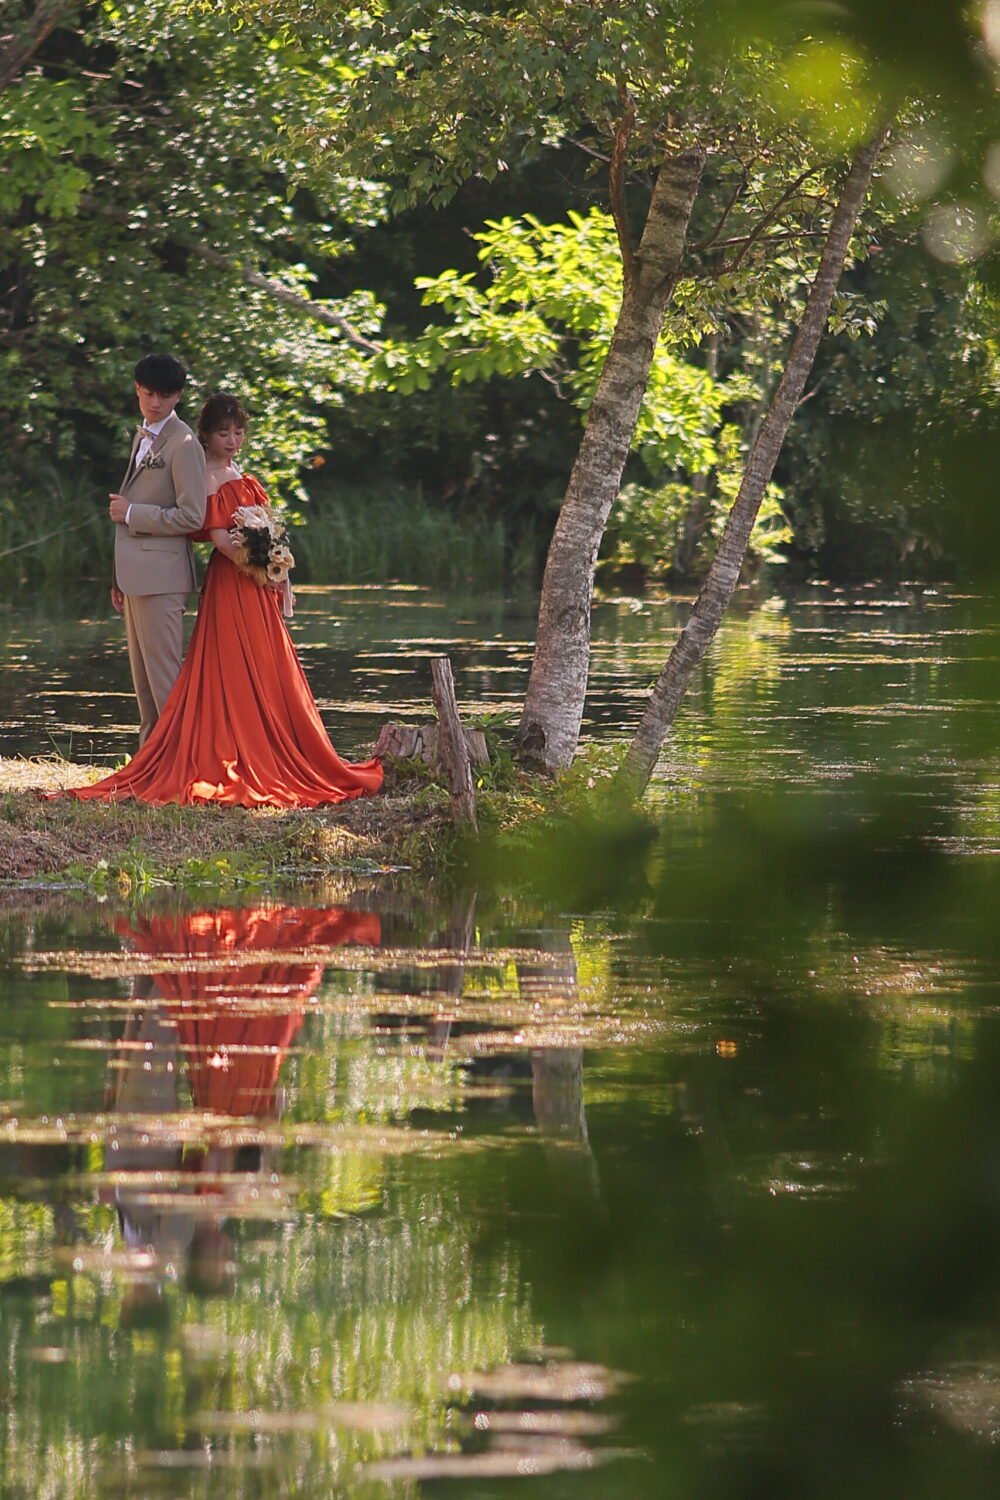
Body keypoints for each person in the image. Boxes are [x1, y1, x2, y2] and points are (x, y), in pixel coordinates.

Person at [59, 393, 383, 807]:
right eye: (223, 433)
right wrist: (262, 566)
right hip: (233, 579)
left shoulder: (238, 471)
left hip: (256, 582)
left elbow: (262, 527)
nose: (232, 441)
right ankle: (213, 749)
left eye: (238, 432)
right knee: (230, 663)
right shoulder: (207, 473)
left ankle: (270, 742)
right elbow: (217, 536)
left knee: (266, 662)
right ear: (207, 436)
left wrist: (278, 569)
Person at [111, 354, 207, 745]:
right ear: (137, 389)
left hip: (164, 578)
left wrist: (133, 512)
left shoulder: (184, 443)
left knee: (165, 684)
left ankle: (181, 764)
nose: (156, 402)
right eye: (149, 393)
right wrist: (117, 577)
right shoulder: (143, 434)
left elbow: (193, 516)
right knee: (144, 688)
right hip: (135, 576)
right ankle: (150, 764)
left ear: (178, 395)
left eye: (165, 396)